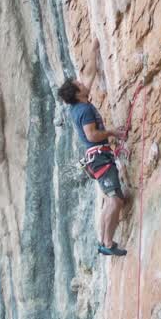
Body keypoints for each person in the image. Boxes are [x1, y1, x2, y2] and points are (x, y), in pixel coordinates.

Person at [58, 78, 129, 256]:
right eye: (80, 84)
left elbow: (89, 74)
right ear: (77, 93)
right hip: (100, 157)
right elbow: (92, 135)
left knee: (112, 200)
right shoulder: (84, 109)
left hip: (96, 159)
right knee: (115, 201)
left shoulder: (76, 108)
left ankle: (103, 241)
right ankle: (107, 243)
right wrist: (112, 132)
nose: (84, 84)